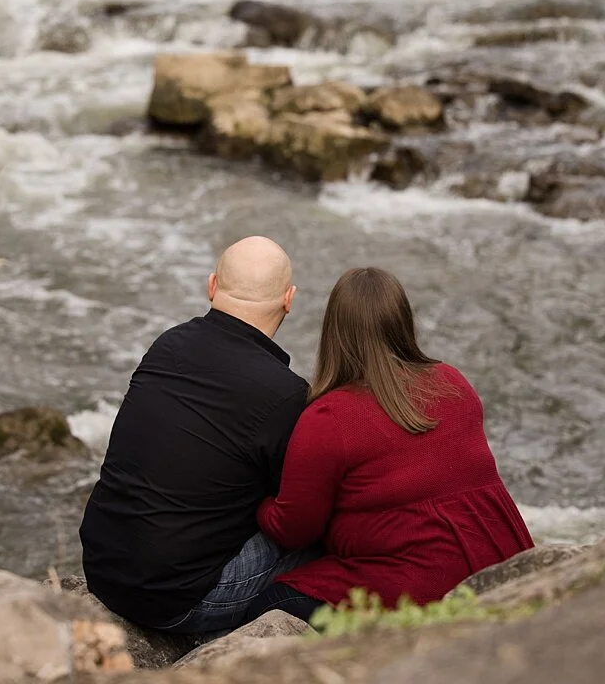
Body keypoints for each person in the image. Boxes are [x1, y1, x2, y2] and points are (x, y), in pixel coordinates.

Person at [247, 267, 533, 623]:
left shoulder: (328, 416)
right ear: (403, 322)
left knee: (265, 607)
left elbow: (294, 528)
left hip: (419, 586)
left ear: (334, 332)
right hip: (502, 563)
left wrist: (257, 501)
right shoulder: (453, 380)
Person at [79, 236, 315, 634]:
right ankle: (241, 636)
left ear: (211, 286)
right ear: (289, 299)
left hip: (103, 570)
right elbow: (292, 511)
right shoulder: (286, 393)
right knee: (320, 538)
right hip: (177, 600)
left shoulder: (167, 344)